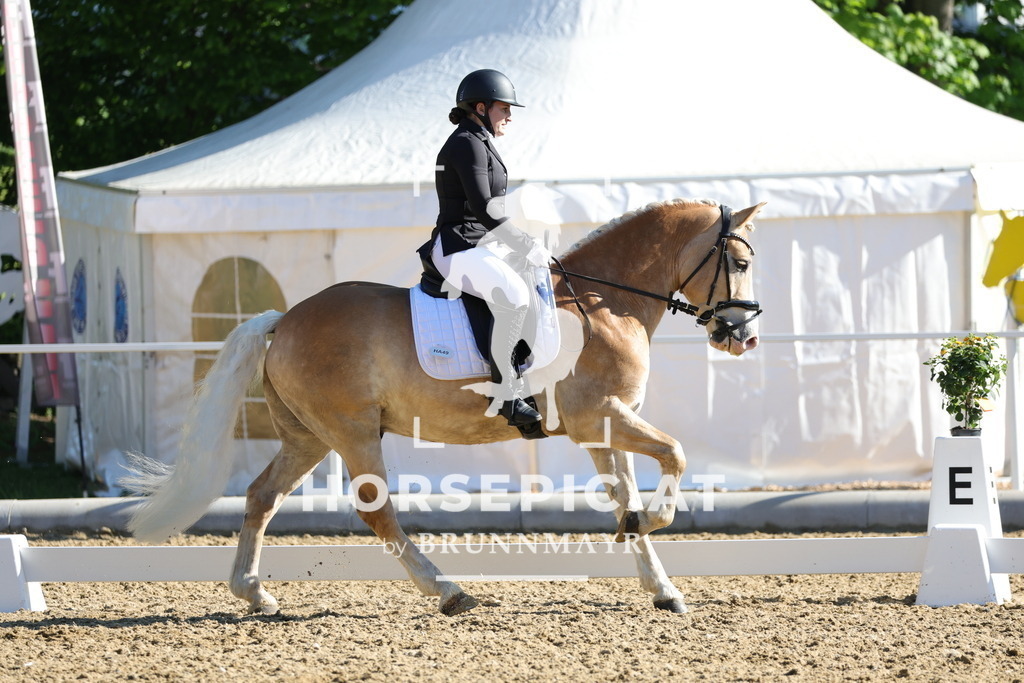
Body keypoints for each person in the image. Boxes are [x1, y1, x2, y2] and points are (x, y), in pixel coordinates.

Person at [416, 69, 548, 433]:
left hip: (479, 244)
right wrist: (522, 243)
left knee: (534, 284)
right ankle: (504, 394)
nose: (509, 115)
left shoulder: (480, 139)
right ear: (480, 107)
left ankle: (527, 377)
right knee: (514, 296)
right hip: (458, 245)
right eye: (503, 108)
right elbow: (485, 207)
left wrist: (522, 246)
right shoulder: (466, 143)